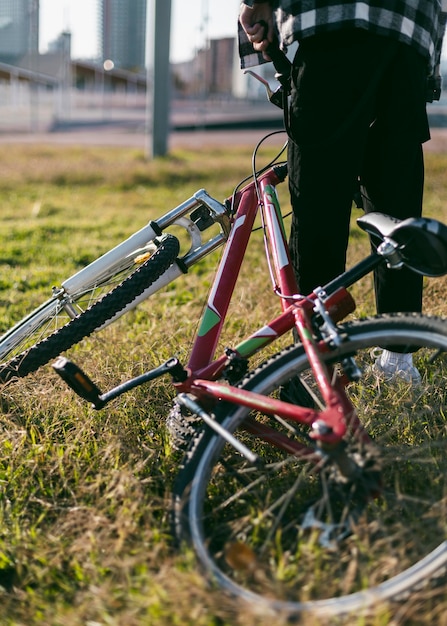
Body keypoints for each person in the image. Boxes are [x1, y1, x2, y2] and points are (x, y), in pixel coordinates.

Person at [239, 0, 447, 382]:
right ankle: (398, 362)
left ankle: (317, 365)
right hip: (410, 30)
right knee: (395, 205)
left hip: (330, 18)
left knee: (319, 201)